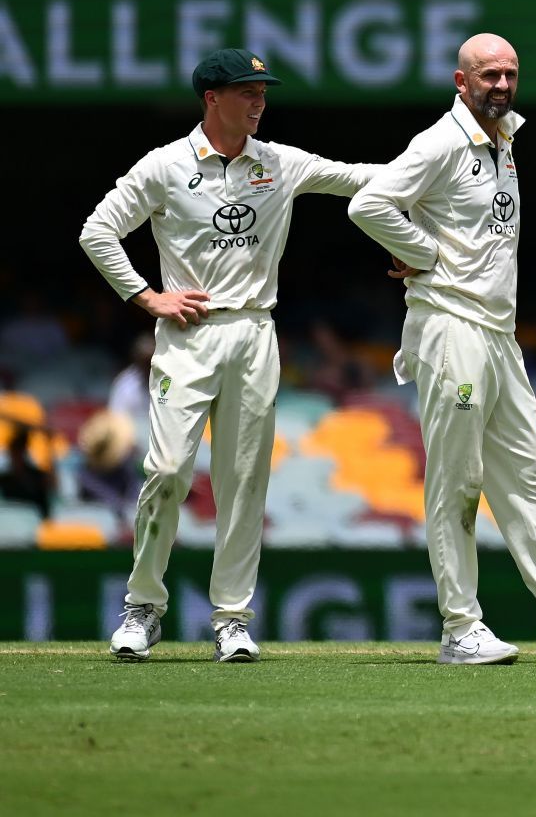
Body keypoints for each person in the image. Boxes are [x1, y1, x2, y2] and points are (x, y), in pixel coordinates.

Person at [348, 34, 536, 666]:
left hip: (498, 335)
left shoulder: (506, 139)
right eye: (489, 76)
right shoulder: (441, 142)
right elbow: (370, 202)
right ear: (461, 82)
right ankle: (461, 627)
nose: (502, 85)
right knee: (457, 482)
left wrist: (424, 243)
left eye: (511, 73)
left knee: (530, 477)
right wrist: (424, 253)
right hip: (450, 326)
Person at [79, 48, 377, 664]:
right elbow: (97, 230)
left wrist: (438, 171)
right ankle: (143, 607)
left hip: (255, 332)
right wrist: (147, 296)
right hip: (189, 336)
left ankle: (232, 620)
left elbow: (360, 177)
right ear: (212, 99)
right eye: (247, 92)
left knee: (243, 483)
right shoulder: (164, 167)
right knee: (166, 470)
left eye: (262, 91)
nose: (260, 101)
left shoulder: (281, 163)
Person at [106, 334, 155, 451]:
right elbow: (116, 421)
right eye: (145, 362)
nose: (149, 366)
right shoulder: (125, 385)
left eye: (151, 361)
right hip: (133, 445)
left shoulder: (165, 380)